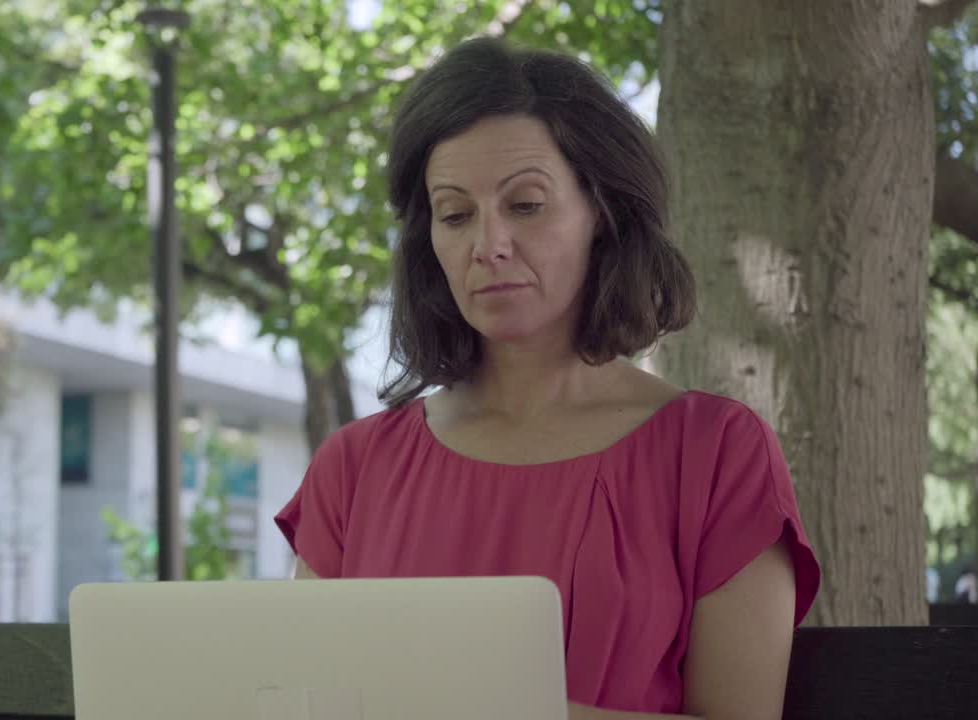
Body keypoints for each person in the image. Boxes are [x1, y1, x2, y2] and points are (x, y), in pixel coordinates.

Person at [275, 37, 821, 720]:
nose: (488, 245)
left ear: (604, 215)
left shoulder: (715, 455)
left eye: (525, 204)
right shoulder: (353, 470)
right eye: (455, 215)